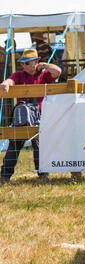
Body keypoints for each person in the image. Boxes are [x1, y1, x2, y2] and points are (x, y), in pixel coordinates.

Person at [0, 49, 61, 183]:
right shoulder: (19, 74)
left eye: (27, 63)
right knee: (14, 144)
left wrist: (43, 65)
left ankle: (43, 174)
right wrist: (6, 84)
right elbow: (10, 80)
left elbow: (57, 71)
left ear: (35, 62)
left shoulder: (45, 74)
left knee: (39, 145)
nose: (24, 66)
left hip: (40, 116)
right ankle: (4, 176)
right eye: (23, 63)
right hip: (22, 115)